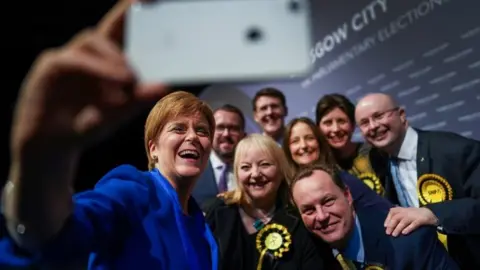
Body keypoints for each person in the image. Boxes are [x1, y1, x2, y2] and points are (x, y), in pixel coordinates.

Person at [0, 1, 218, 269]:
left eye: (203, 131)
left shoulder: (203, 229)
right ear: (152, 149)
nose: (193, 137)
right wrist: (46, 157)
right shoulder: (133, 192)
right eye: (178, 128)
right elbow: (49, 235)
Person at [355, 92, 480, 269]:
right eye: (364, 123)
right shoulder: (379, 161)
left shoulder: (455, 150)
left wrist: (434, 214)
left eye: (379, 116)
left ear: (402, 115)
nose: (373, 126)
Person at [290, 163, 459, 270]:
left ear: (348, 196)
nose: (321, 216)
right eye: (309, 210)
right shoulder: (312, 257)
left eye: (328, 201)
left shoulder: (410, 242)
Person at [205, 134, 338, 270]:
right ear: (237, 173)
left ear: (281, 170)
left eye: (265, 165)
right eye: (246, 167)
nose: (255, 174)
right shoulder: (218, 213)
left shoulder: (299, 220)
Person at [282, 117, 392, 211]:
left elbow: (383, 210)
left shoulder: (345, 180)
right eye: (295, 141)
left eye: (309, 138)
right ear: (288, 149)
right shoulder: (285, 193)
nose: (303, 145)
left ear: (320, 143)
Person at [315, 94, 388, 196]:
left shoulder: (374, 153)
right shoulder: (320, 167)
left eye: (341, 121)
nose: (335, 129)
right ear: (318, 128)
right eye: (328, 123)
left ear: (353, 125)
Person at [192, 104, 246, 209]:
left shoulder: (253, 173)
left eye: (233, 128)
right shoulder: (192, 170)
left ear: (243, 135)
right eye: (220, 127)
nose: (226, 134)